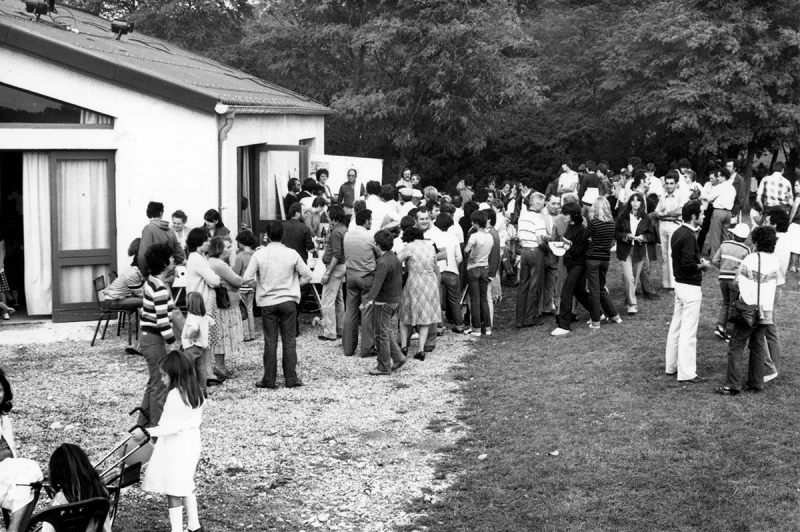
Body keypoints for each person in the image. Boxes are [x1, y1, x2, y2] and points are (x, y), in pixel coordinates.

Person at [132, 351, 204, 532]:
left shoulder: (174, 395)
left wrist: (146, 433)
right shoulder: (196, 391)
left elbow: (170, 427)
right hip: (192, 442)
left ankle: (177, 530)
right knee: (186, 483)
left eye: (164, 375)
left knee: (173, 488)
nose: (162, 379)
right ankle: (194, 525)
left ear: (175, 374)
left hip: (177, 446)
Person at [244, 221, 312, 389]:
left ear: (267, 236)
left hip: (267, 302)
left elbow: (246, 278)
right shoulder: (292, 253)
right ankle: (291, 378)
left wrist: (258, 287)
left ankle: (269, 379)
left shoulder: (259, 254)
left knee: (270, 341)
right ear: (282, 235)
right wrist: (295, 286)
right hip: (288, 301)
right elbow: (308, 275)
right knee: (289, 341)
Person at [715, 226, 780, 396]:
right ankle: (756, 383)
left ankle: (733, 385)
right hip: (766, 312)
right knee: (757, 345)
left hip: (749, 310)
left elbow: (738, 283)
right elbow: (778, 286)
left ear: (757, 241)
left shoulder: (750, 260)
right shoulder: (775, 262)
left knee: (736, 346)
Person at [665, 200, 712, 383]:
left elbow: (684, 259)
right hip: (690, 288)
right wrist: (703, 266)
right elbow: (687, 265)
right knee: (688, 332)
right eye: (701, 213)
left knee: (676, 327)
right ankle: (687, 373)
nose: (704, 216)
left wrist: (695, 259)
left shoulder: (678, 232)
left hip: (679, 286)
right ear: (693, 217)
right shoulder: (689, 236)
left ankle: (671, 366)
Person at [138, 242, 178, 427]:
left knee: (153, 382)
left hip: (147, 336)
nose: (173, 260)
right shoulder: (160, 288)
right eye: (170, 257)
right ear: (164, 262)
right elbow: (163, 322)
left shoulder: (151, 282)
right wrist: (173, 342)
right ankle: (156, 430)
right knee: (160, 386)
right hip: (154, 339)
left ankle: (142, 425)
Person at [0, 369, 43, 532]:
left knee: (34, 480)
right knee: (30, 474)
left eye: (0, 390)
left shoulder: (3, 417)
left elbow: (11, 454)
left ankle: (18, 529)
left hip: (5, 474)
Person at [362, 230, 407, 375]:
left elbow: (377, 284)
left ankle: (383, 366)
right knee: (385, 329)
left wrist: (367, 301)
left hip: (384, 302)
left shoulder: (382, 262)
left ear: (377, 245)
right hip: (395, 299)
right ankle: (398, 357)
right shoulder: (394, 258)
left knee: (380, 334)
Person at [184, 228, 222, 388]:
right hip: (201, 305)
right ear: (199, 242)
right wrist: (217, 278)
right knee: (202, 340)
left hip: (200, 303)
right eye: (206, 240)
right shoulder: (198, 260)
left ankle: (207, 372)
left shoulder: (197, 257)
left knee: (204, 340)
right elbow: (214, 280)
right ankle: (205, 373)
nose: (208, 242)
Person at [44, 443, 112, 532]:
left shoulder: (60, 501)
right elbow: (106, 529)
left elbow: (47, 530)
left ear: (56, 473)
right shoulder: (100, 493)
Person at [397, 227, 441, 360]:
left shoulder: (409, 247)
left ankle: (404, 346)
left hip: (414, 282)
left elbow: (396, 261)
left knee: (405, 314)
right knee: (425, 318)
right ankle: (421, 349)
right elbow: (434, 265)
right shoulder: (430, 247)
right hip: (430, 282)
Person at [342, 209, 379, 358]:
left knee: (350, 311)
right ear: (367, 221)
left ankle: (348, 348)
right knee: (367, 312)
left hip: (350, 275)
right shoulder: (369, 238)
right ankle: (367, 348)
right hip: (366, 276)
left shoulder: (347, 235)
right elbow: (379, 254)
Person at [551, 203, 593, 336]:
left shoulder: (581, 229)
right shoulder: (571, 225)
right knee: (579, 292)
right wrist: (562, 244)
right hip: (571, 263)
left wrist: (566, 247)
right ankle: (597, 312)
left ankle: (564, 325)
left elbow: (580, 249)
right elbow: (570, 243)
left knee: (566, 292)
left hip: (578, 265)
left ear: (573, 214)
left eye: (565, 214)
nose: (563, 216)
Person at [208, 236, 243, 380]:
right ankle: (220, 366)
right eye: (228, 247)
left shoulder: (212, 262)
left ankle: (220, 365)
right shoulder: (220, 265)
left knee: (220, 334)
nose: (232, 249)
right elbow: (238, 280)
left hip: (220, 303)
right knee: (223, 334)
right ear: (220, 250)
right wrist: (232, 284)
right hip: (226, 305)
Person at [614, 192, 656, 315]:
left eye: (638, 200)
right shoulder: (623, 216)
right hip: (625, 250)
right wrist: (626, 236)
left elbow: (652, 235)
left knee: (634, 279)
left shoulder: (646, 218)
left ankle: (628, 302)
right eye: (633, 200)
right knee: (629, 276)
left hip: (639, 250)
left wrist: (643, 237)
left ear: (642, 203)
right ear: (630, 202)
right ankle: (633, 304)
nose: (635, 203)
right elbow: (616, 233)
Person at [584, 197, 623, 328]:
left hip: (593, 258)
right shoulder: (612, 223)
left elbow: (584, 238)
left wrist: (591, 242)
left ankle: (595, 321)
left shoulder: (594, 223)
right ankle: (614, 316)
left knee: (593, 290)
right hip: (605, 258)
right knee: (601, 288)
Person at [710, 223, 750, 341]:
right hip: (735, 280)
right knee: (734, 305)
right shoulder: (746, 249)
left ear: (733, 234)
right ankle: (730, 332)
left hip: (722, 277)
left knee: (726, 302)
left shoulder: (724, 244)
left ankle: (720, 326)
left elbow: (714, 260)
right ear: (745, 238)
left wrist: (723, 268)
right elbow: (746, 268)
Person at [515, 192, 548, 328]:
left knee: (523, 285)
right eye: (543, 204)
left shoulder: (522, 217)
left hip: (524, 251)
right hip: (535, 251)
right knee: (534, 286)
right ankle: (530, 318)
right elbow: (540, 241)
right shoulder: (538, 219)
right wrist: (548, 250)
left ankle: (519, 319)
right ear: (538, 203)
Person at [654, 171, 687, 289]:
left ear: (676, 184)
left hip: (675, 226)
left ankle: (675, 283)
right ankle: (666, 283)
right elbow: (657, 212)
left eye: (671, 183)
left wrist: (666, 213)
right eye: (667, 183)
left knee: (672, 254)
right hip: (663, 225)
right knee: (664, 255)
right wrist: (664, 215)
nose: (669, 186)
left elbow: (680, 211)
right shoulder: (663, 195)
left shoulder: (681, 195)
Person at [319, 205, 348, 342]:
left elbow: (337, 253)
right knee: (338, 299)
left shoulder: (336, 232)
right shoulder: (343, 230)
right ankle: (340, 329)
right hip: (342, 267)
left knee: (327, 301)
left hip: (335, 267)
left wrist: (327, 272)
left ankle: (329, 332)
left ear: (335, 217)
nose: (328, 217)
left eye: (330, 215)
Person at [463, 210, 493, 337]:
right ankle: (487, 327)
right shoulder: (490, 236)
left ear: (476, 223)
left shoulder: (474, 236)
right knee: (484, 299)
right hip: (485, 267)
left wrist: (470, 256)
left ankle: (476, 328)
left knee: (475, 299)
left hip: (474, 268)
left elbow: (466, 249)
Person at [434, 213, 465, 333]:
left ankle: (439, 326)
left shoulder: (435, 237)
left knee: (438, 299)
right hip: (452, 270)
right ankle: (459, 324)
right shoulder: (454, 237)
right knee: (455, 300)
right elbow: (459, 257)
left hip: (438, 271)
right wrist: (455, 266)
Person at [137, 201, 185, 277]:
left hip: (154, 276)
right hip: (169, 276)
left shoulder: (148, 229)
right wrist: (170, 268)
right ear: (161, 213)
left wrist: (144, 275)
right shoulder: (170, 231)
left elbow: (142, 257)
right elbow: (180, 256)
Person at [181, 292, 214, 396]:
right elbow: (213, 322)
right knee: (200, 368)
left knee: (190, 369)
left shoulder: (191, 317)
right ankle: (203, 390)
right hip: (201, 347)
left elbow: (194, 327)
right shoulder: (204, 317)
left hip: (191, 346)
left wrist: (188, 335)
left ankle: (193, 391)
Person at [702, 167, 736, 258]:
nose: (717, 178)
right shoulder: (732, 188)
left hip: (718, 212)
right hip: (728, 213)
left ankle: (714, 258)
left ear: (723, 176)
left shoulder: (719, 187)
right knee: (725, 235)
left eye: (718, 176)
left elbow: (710, 198)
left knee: (715, 236)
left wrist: (706, 197)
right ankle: (726, 256)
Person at [104, 238, 145, 312]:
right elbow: (140, 293)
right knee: (147, 301)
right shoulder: (133, 272)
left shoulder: (131, 266)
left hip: (114, 298)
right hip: (113, 301)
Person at [233, 230, 257, 342]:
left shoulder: (240, 256)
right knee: (250, 310)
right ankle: (252, 333)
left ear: (242, 243)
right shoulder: (255, 254)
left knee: (242, 311)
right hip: (252, 286)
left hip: (242, 286)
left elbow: (236, 273)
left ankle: (245, 334)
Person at [787, 179, 800, 274]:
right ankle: (798, 266)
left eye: (797, 185)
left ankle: (792, 266)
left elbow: (794, 210)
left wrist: (789, 221)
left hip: (796, 223)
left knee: (794, 246)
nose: (794, 187)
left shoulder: (798, 197)